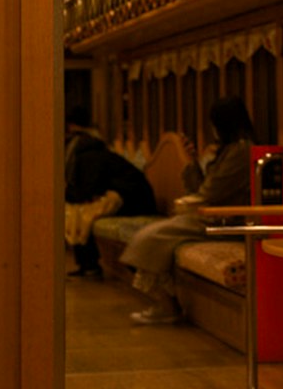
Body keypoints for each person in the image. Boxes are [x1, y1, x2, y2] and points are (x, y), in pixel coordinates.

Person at [120, 95, 253, 324]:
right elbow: (205, 188)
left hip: (224, 221)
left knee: (149, 237)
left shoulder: (241, 151)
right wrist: (193, 161)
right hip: (209, 216)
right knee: (150, 234)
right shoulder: (230, 149)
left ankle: (166, 304)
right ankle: (165, 302)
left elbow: (210, 192)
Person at [64, 108, 157, 277]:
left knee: (81, 214)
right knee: (77, 212)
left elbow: (86, 190)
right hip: (128, 195)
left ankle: (90, 265)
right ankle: (88, 264)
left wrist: (65, 195)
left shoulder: (88, 154)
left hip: (132, 198)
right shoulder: (88, 148)